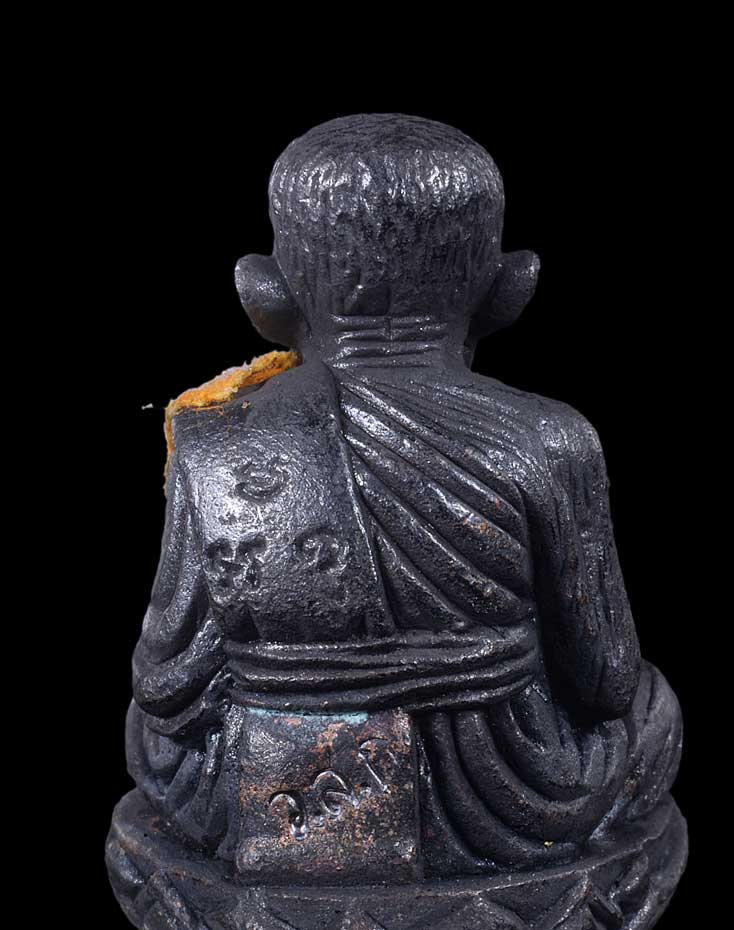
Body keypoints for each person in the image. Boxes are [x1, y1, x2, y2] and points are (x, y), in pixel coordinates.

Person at [126, 113, 683, 881]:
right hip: (513, 802)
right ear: (509, 288)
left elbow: (166, 685)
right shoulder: (549, 438)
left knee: (152, 744)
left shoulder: (217, 441)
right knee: (653, 711)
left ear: (263, 292)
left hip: (258, 808)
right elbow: (605, 678)